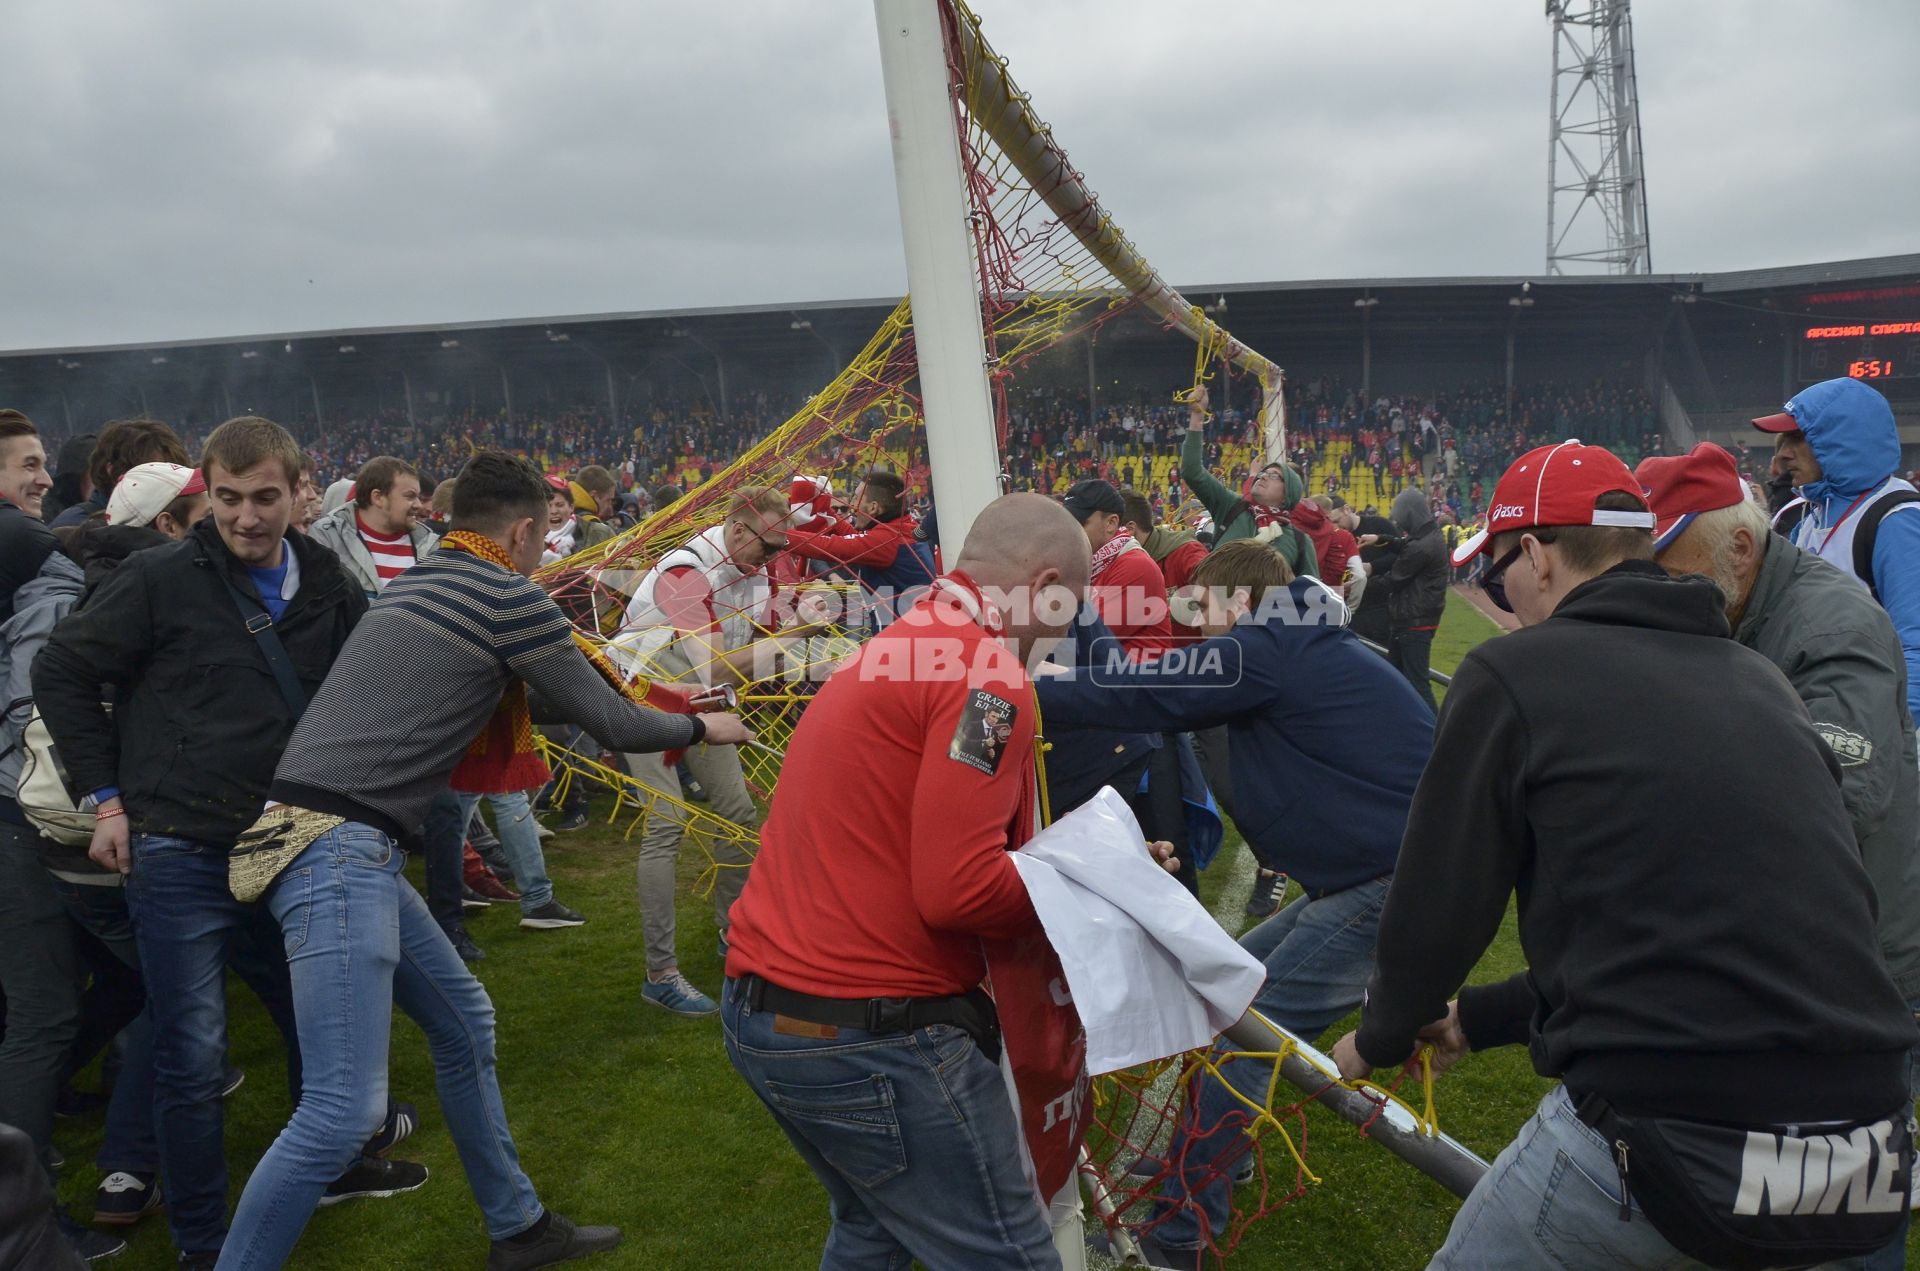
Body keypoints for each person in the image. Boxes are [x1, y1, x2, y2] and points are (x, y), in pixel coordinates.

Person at [1334, 441, 1918, 1270]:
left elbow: (1437, 909)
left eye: (1498, 577)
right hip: (1864, 1150)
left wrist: (1382, 1033)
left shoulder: (1515, 672)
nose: (1503, 596)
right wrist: (1483, 1018)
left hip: (1673, 1138)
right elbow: (1696, 931)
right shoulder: (1763, 684)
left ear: (1534, 554)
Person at [221, 449, 752, 1271]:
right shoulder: (506, 592)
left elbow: (532, 690)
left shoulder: (431, 581)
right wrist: (700, 726)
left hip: (333, 840)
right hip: (340, 848)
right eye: (544, 536)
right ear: (526, 527)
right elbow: (607, 721)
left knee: (466, 1022)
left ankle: (518, 1225)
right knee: (336, 1112)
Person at [32, 417, 415, 1268]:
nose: (247, 516)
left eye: (266, 497)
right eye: (231, 499)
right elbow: (60, 668)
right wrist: (106, 800)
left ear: (296, 490)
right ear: (208, 490)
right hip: (177, 844)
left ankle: (335, 1166)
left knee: (314, 1027)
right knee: (193, 1052)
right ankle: (205, 1243)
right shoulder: (159, 578)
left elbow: (369, 683)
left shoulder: (326, 578)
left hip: (291, 842)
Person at [722, 492, 1092, 1270]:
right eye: (1072, 606)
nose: (1066, 628)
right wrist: (1087, 884)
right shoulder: (988, 679)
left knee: (874, 1231)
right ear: (1048, 582)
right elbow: (958, 888)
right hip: (874, 1032)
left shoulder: (911, 640)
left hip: (770, 1006)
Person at [1038, 539, 1432, 1259]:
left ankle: (1179, 1234)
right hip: (1381, 875)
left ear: (1240, 604)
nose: (1197, 625)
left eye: (1206, 606)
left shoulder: (1265, 645)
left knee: (1243, 1040)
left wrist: (1022, 686)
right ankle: (1217, 1160)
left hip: (1389, 885)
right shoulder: (1296, 639)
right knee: (1226, 991)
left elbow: (1145, 690)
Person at [1640, 441, 1920, 1270]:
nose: (1657, 586)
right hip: (1784, 953)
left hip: (1856, 969)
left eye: (1668, 562)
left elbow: (1838, 792)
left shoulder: (1833, 624)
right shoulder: (1727, 607)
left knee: (1842, 1206)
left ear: (1738, 546)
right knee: (1767, 1187)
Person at [1, 460, 211, 1247]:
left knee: (128, 992)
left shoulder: (107, 580)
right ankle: (48, 1212)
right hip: (75, 834)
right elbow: (38, 704)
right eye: (207, 506)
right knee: (93, 1006)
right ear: (166, 524)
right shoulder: (92, 595)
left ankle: (102, 1157)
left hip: (72, 833)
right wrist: (108, 796)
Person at [612, 486, 808, 1016]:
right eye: (768, 547)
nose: (773, 559)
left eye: (778, 549)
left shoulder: (759, 570)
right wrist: (794, 639)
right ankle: (660, 973)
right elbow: (719, 666)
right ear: (738, 530)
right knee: (667, 822)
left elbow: (750, 656)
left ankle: (735, 932)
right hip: (644, 694)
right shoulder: (684, 572)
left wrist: (807, 657)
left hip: (700, 697)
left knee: (738, 812)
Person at [1757, 376, 1920, 724]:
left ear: (1842, 440)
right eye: (1784, 439)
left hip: (1871, 730)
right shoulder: (1804, 513)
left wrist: (1893, 733)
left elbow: (1916, 643)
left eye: (1799, 438)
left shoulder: (1897, 519)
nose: (1784, 453)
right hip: (1820, 716)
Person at [1175, 385, 1314, 577]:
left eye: (1274, 475)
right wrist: (1197, 417)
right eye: (1263, 472)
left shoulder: (1300, 542)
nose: (1263, 475)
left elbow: (1311, 596)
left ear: (1287, 495)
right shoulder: (1232, 506)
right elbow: (1192, 471)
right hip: (1216, 605)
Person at [781, 469, 938, 629]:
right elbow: (856, 537)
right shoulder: (899, 529)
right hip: (917, 631)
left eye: (856, 498)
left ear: (873, 508)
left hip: (907, 639)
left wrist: (773, 534)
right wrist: (826, 513)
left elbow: (828, 546)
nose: (853, 505)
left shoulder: (886, 541)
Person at [1060, 478, 1173, 655]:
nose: (1068, 531)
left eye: (1078, 523)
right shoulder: (1095, 564)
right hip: (1110, 676)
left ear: (1111, 523)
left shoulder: (1136, 567)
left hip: (1137, 679)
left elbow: (1086, 638)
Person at [306, 454, 434, 597]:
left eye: (418, 497)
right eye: (410, 496)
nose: (418, 505)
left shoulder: (430, 545)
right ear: (378, 498)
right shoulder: (326, 538)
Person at [1372, 486, 1448, 712]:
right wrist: (1379, 538)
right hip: (1412, 621)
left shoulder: (1421, 546)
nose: (1399, 523)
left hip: (1414, 623)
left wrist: (1355, 586)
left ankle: (1437, 734)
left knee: (1416, 683)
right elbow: (1405, 544)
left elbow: (1392, 580)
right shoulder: (1427, 535)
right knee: (1396, 680)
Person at [49, 418, 191, 531]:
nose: (170, 484)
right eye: (155, 474)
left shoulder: (175, 519)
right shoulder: (75, 529)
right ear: (113, 471)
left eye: (175, 473)